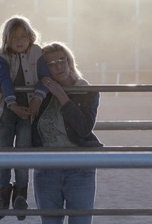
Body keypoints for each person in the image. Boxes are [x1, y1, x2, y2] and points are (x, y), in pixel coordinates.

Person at [0, 15, 50, 221]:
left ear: (30, 36)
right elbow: (4, 80)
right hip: (7, 111)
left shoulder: (37, 52)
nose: (19, 41)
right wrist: (12, 104)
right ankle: (2, 197)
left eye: (23, 36)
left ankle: (20, 196)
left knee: (22, 151)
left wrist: (37, 100)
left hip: (28, 111)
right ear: (6, 40)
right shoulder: (2, 55)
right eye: (14, 38)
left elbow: (44, 78)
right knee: (3, 152)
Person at [32, 42, 103, 224]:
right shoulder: (38, 93)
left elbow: (84, 128)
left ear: (70, 62)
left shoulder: (87, 91)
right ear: (44, 69)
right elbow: (13, 114)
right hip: (46, 168)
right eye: (51, 63)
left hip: (79, 167)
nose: (59, 66)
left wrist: (61, 95)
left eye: (62, 60)